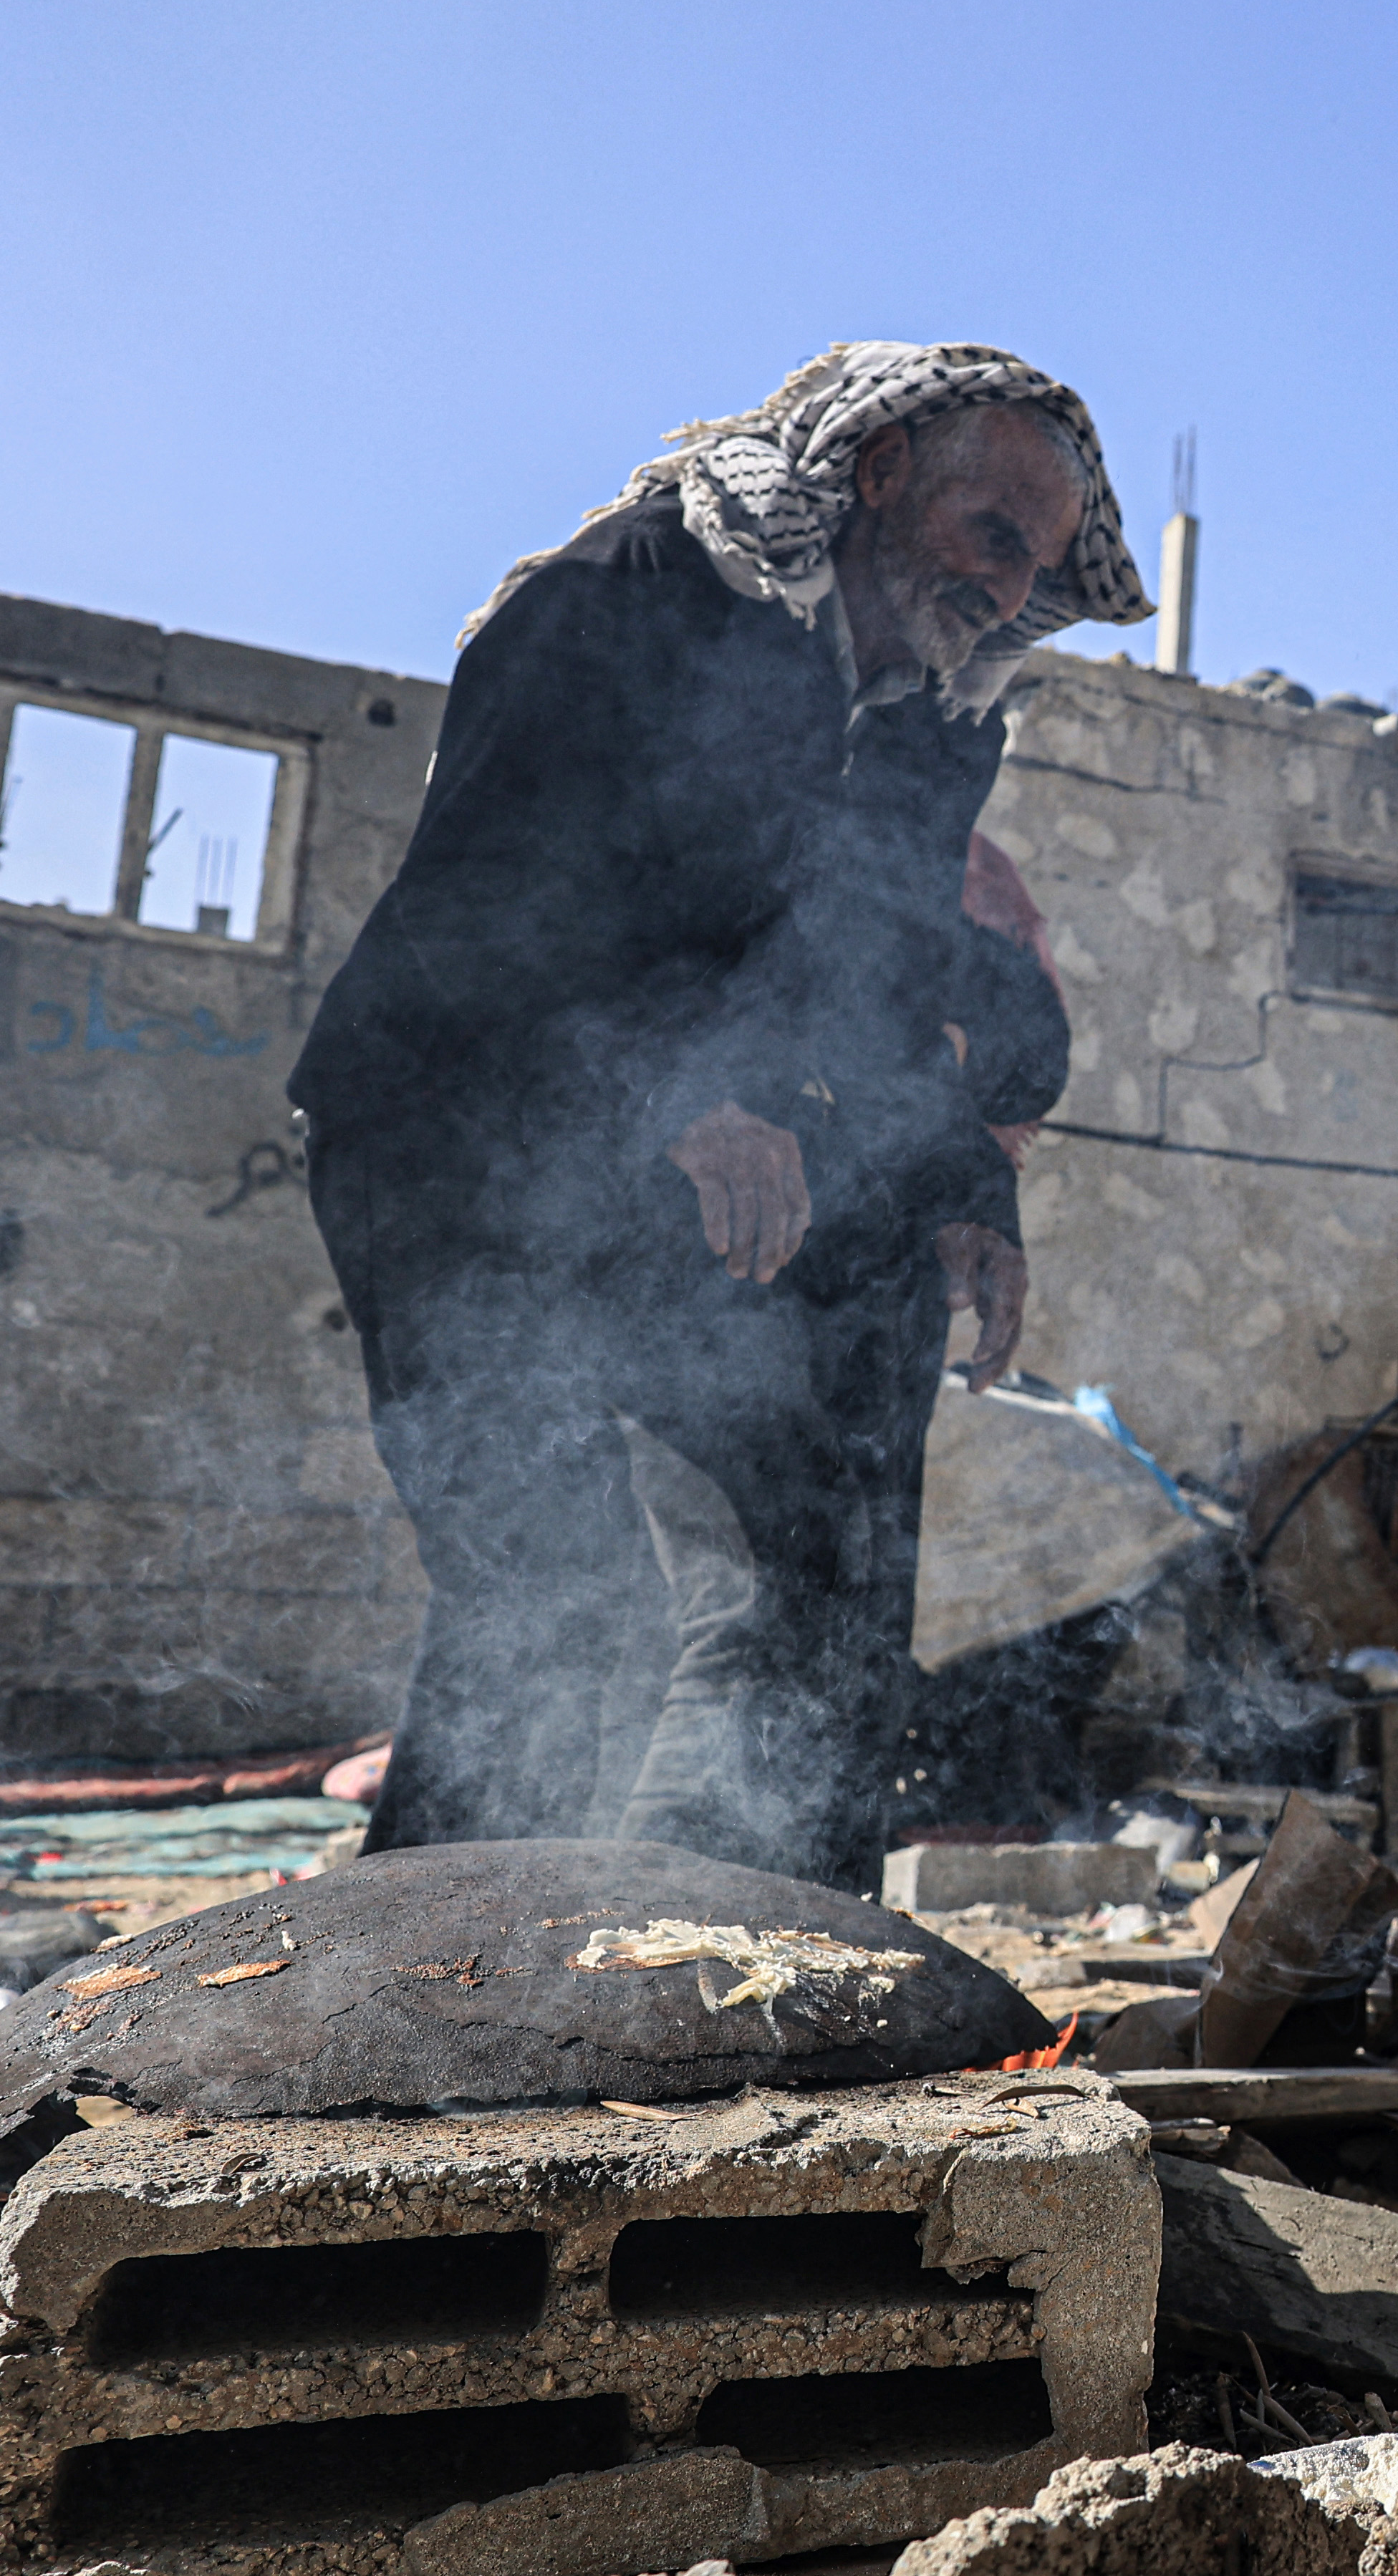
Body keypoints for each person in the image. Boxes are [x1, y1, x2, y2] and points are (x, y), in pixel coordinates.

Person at [292, 343, 1147, 1883]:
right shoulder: (629, 595)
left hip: (681, 1165)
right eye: (992, 539)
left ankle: (745, 1954)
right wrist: (682, 1087)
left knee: (809, 1559)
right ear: (880, 473)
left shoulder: (931, 712)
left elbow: (878, 973)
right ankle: (426, 1981)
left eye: (1038, 562)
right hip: (458, 1132)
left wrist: (965, 1182)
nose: (1011, 592)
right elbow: (488, 907)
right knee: (563, 1595)